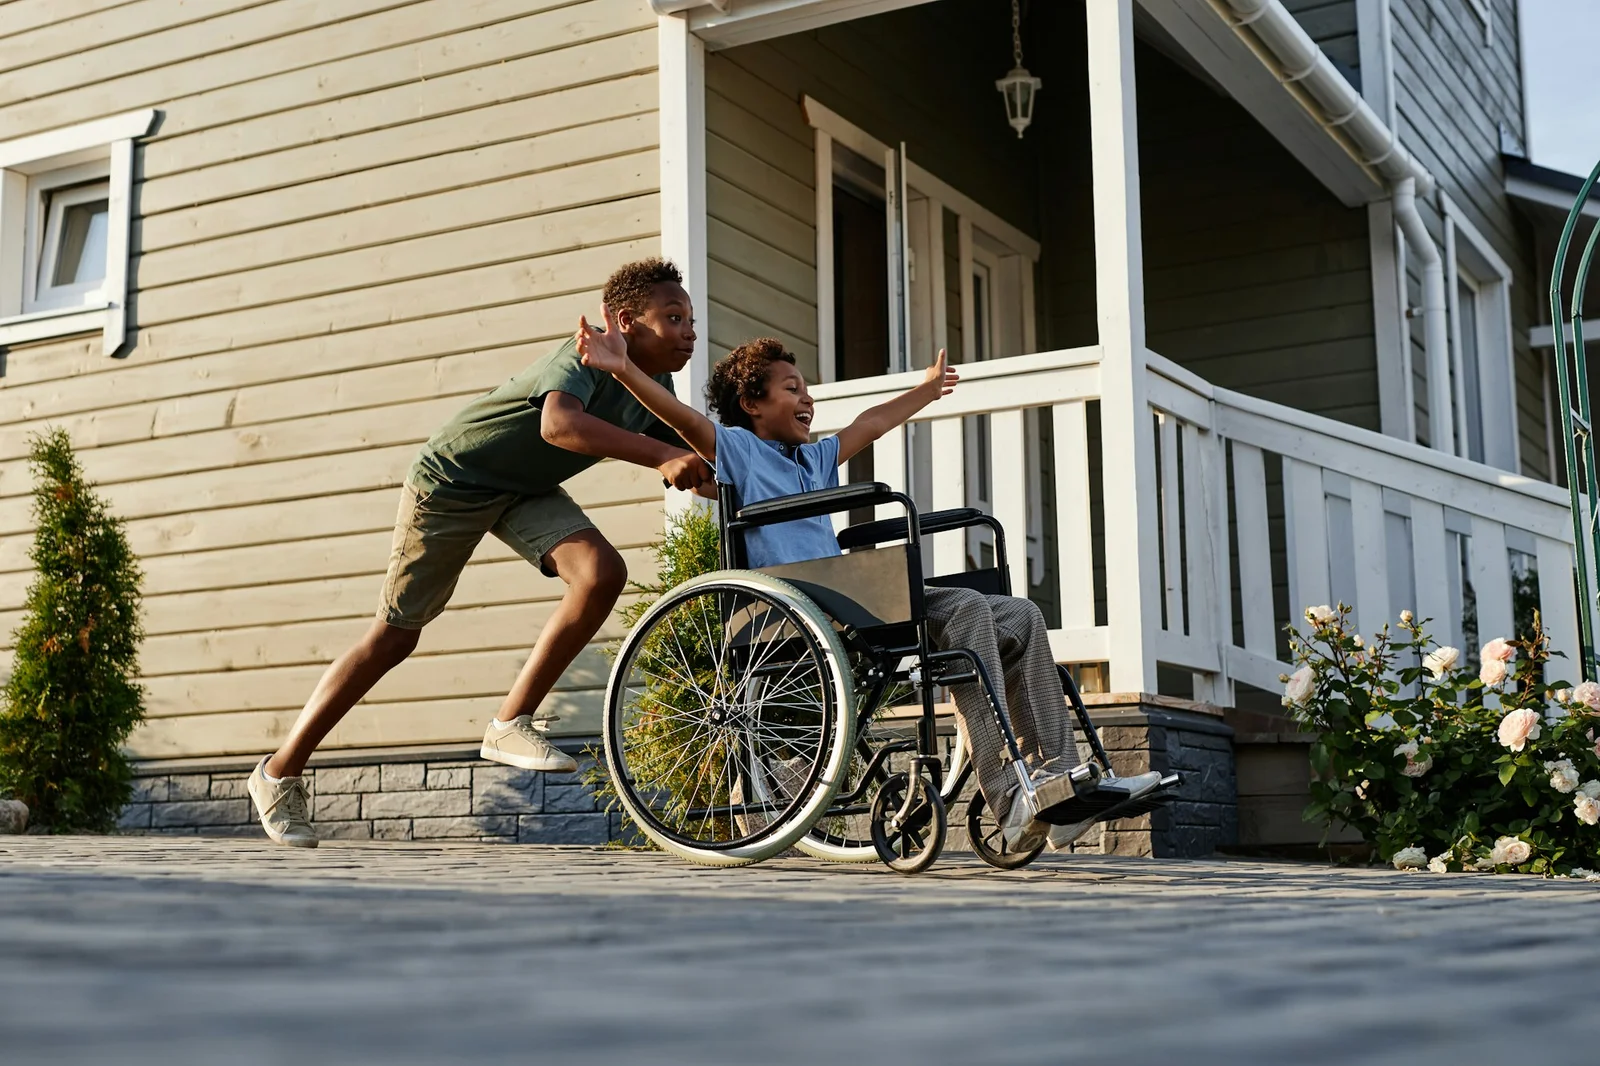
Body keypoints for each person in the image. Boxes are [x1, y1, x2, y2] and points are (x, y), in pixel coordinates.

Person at [578, 318, 1161, 852]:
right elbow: (683, 420)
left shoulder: (814, 461)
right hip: (802, 604)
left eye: (806, 389)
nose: (807, 399)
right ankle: (1011, 798)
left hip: (850, 599)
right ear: (752, 403)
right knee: (964, 613)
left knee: (1021, 616)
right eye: (791, 389)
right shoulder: (741, 451)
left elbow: (871, 423)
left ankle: (1057, 781)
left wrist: (928, 390)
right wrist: (623, 368)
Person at [246, 259, 716, 848]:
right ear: (625, 322)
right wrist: (658, 456)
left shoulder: (653, 391)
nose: (688, 331)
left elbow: (698, 454)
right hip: (454, 478)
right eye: (672, 318)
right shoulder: (585, 355)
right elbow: (559, 426)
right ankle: (278, 772)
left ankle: (508, 723)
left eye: (691, 319)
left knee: (601, 573)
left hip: (522, 490)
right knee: (394, 637)